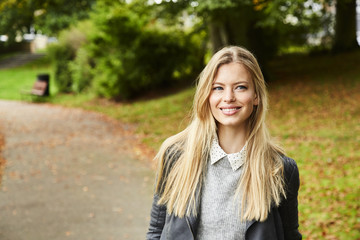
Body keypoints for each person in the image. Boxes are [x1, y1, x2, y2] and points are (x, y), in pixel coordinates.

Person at [146, 46, 302, 240]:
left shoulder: (280, 169)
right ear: (207, 95)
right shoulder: (176, 156)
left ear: (256, 96)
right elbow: (155, 232)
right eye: (218, 88)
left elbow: (290, 236)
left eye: (240, 87)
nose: (228, 97)